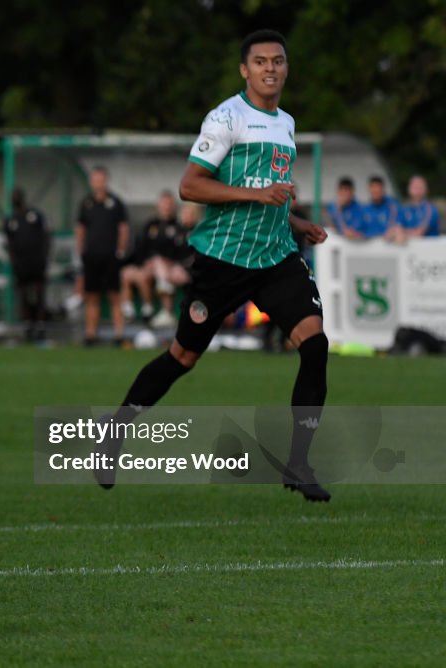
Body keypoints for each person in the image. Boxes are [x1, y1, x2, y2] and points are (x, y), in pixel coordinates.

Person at [94, 29, 331, 502]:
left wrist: (297, 220)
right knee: (183, 358)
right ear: (245, 70)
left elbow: (270, 191)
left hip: (275, 256)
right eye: (260, 61)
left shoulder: (286, 123)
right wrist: (257, 195)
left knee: (315, 343)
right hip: (221, 261)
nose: (270, 68)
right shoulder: (226, 117)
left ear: (286, 68)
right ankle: (113, 433)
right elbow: (191, 186)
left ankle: (299, 462)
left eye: (278, 61)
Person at [76, 166, 129, 346]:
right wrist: (81, 250)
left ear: (106, 181)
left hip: (110, 257)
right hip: (91, 256)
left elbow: (123, 228)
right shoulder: (86, 203)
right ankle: (91, 334)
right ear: (91, 182)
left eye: (101, 179)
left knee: (115, 296)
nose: (98, 183)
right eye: (95, 180)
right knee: (92, 296)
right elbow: (80, 228)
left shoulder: (116, 203)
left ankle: (118, 335)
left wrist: (120, 250)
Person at [120, 191, 177, 325]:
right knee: (125, 273)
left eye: (169, 204)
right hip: (147, 264)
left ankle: (148, 310)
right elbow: (141, 247)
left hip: (166, 268)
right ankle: (128, 310)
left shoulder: (177, 226)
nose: (166, 206)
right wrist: (143, 263)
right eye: (163, 203)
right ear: (158, 205)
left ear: (173, 206)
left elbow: (177, 251)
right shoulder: (150, 224)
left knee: (142, 276)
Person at [3, 187, 51, 342]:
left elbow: (47, 235)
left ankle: (41, 326)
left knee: (39, 292)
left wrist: (45, 256)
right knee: (23, 294)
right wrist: (13, 260)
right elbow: (9, 242)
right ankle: (28, 326)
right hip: (21, 263)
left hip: (37, 261)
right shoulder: (10, 220)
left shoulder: (35, 215)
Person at [388, 174, 440, 241]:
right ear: (409, 188)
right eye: (414, 186)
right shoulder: (404, 209)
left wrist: (401, 233)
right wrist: (396, 232)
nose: (417, 190)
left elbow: (419, 233)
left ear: (425, 190)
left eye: (420, 187)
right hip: (409, 249)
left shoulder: (431, 210)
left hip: (429, 249)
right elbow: (392, 230)